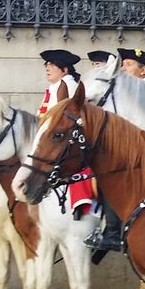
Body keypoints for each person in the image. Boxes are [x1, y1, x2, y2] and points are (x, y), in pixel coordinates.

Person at [36, 49, 99, 218]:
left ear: (64, 70)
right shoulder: (54, 87)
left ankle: (83, 204)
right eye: (46, 65)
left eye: (51, 65)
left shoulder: (70, 87)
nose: (47, 68)